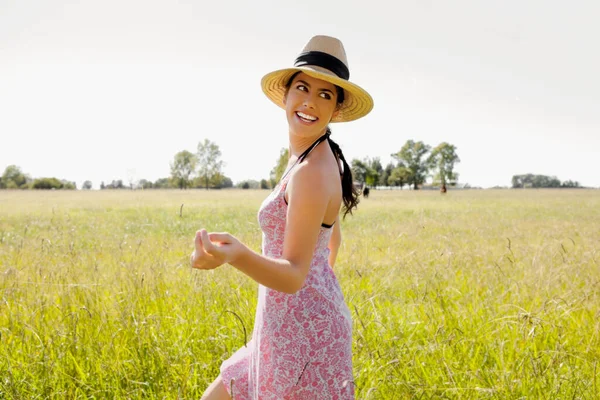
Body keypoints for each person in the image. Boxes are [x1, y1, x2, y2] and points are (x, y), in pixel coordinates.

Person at [191, 35, 374, 399]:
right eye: (303, 88)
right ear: (286, 96)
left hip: (304, 339)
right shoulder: (312, 158)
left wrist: (237, 255)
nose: (309, 102)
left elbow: (292, 276)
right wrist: (310, 297)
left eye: (325, 95)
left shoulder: (310, 171)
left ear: (336, 109)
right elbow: (331, 239)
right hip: (290, 328)